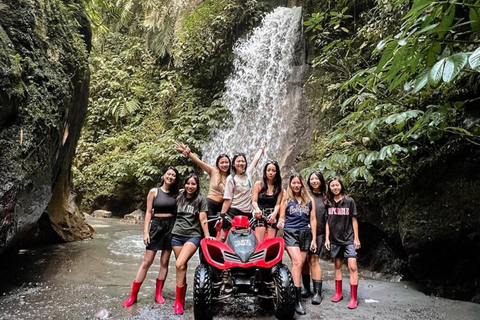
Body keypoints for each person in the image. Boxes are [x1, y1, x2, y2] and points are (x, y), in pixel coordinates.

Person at [123, 167, 179, 307]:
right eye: (169, 174)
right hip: (156, 226)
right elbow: (148, 212)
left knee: (164, 262)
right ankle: (133, 295)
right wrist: (145, 232)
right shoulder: (154, 192)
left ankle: (158, 294)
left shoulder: (176, 194)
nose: (170, 177)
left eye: (173, 175)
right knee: (146, 262)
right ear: (164, 175)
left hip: (171, 227)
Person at [278, 173, 317, 315]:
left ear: (302, 184)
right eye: (293, 183)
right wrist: (280, 223)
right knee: (297, 262)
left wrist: (313, 238)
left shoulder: (309, 200)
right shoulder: (286, 199)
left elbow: (313, 220)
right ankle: (297, 300)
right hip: (290, 232)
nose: (296, 185)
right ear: (290, 184)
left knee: (301, 263)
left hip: (305, 233)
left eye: (298, 183)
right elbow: (282, 217)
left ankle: (298, 292)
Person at [171, 174, 210, 315]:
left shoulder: (200, 199)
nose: (190, 186)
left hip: (193, 235)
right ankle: (179, 301)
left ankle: (177, 302)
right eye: (188, 183)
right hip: (176, 235)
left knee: (179, 264)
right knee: (181, 267)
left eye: (193, 184)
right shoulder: (179, 196)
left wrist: (206, 236)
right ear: (185, 184)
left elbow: (203, 218)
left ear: (197, 185)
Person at [175, 142, 230, 238]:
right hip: (211, 204)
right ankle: (203, 251)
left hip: (225, 206)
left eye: (226, 162)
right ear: (218, 164)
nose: (224, 164)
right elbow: (199, 162)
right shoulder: (213, 171)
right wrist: (188, 153)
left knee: (224, 231)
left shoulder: (231, 177)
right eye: (222, 162)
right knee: (209, 229)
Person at [218, 141, 266, 241]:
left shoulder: (248, 173)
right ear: (234, 164)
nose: (241, 163)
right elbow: (228, 200)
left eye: (243, 161)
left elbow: (256, 159)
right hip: (233, 212)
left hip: (247, 213)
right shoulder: (231, 179)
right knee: (222, 237)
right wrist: (222, 215)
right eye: (238, 161)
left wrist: (262, 148)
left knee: (247, 240)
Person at [325, 178, 361, 309]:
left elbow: (354, 219)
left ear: (341, 186)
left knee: (352, 266)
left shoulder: (349, 201)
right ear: (329, 188)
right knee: (337, 265)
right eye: (332, 186)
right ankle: (338, 293)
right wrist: (327, 238)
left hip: (348, 239)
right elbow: (327, 222)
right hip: (335, 239)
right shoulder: (328, 203)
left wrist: (356, 238)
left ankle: (353, 298)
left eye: (337, 185)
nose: (335, 187)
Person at [300, 171, 327, 304]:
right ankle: (306, 288)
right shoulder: (305, 195)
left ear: (321, 180)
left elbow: (329, 218)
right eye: (312, 179)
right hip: (304, 232)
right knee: (304, 260)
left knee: (314, 259)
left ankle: (317, 293)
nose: (314, 181)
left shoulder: (326, 197)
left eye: (317, 179)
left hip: (320, 232)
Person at [251, 160, 283, 242]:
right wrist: (257, 209)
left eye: (273, 170)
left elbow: (278, 204)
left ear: (277, 172)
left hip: (272, 214)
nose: (271, 173)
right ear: (265, 171)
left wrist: (275, 214)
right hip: (260, 213)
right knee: (259, 241)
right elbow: (254, 201)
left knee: (270, 242)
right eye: (268, 170)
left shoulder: (279, 187)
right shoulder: (258, 184)